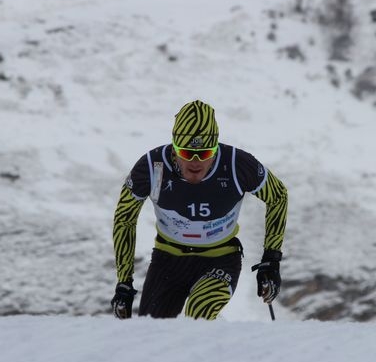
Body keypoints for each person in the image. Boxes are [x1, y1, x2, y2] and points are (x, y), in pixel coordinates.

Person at [110, 100, 288, 320]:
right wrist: (124, 282)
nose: (195, 162)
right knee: (151, 334)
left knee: (199, 310)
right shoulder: (152, 167)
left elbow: (278, 195)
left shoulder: (237, 165)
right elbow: (124, 219)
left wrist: (271, 259)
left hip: (220, 258)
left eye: (204, 154)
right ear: (174, 149)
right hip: (167, 260)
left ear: (215, 150)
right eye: (186, 153)